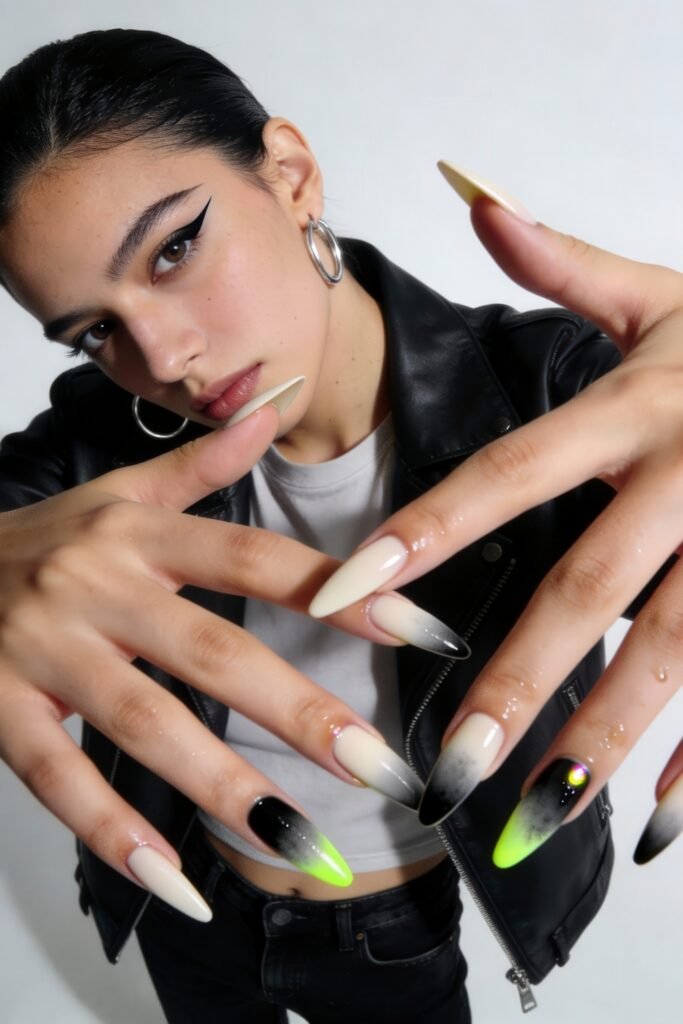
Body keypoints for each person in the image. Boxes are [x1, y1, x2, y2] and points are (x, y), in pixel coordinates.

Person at [0, 26, 680, 1024]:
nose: (164, 354)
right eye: (96, 330)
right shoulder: (100, 441)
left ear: (290, 175)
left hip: (395, 930)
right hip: (189, 902)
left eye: (175, 248)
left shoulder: (545, 394)